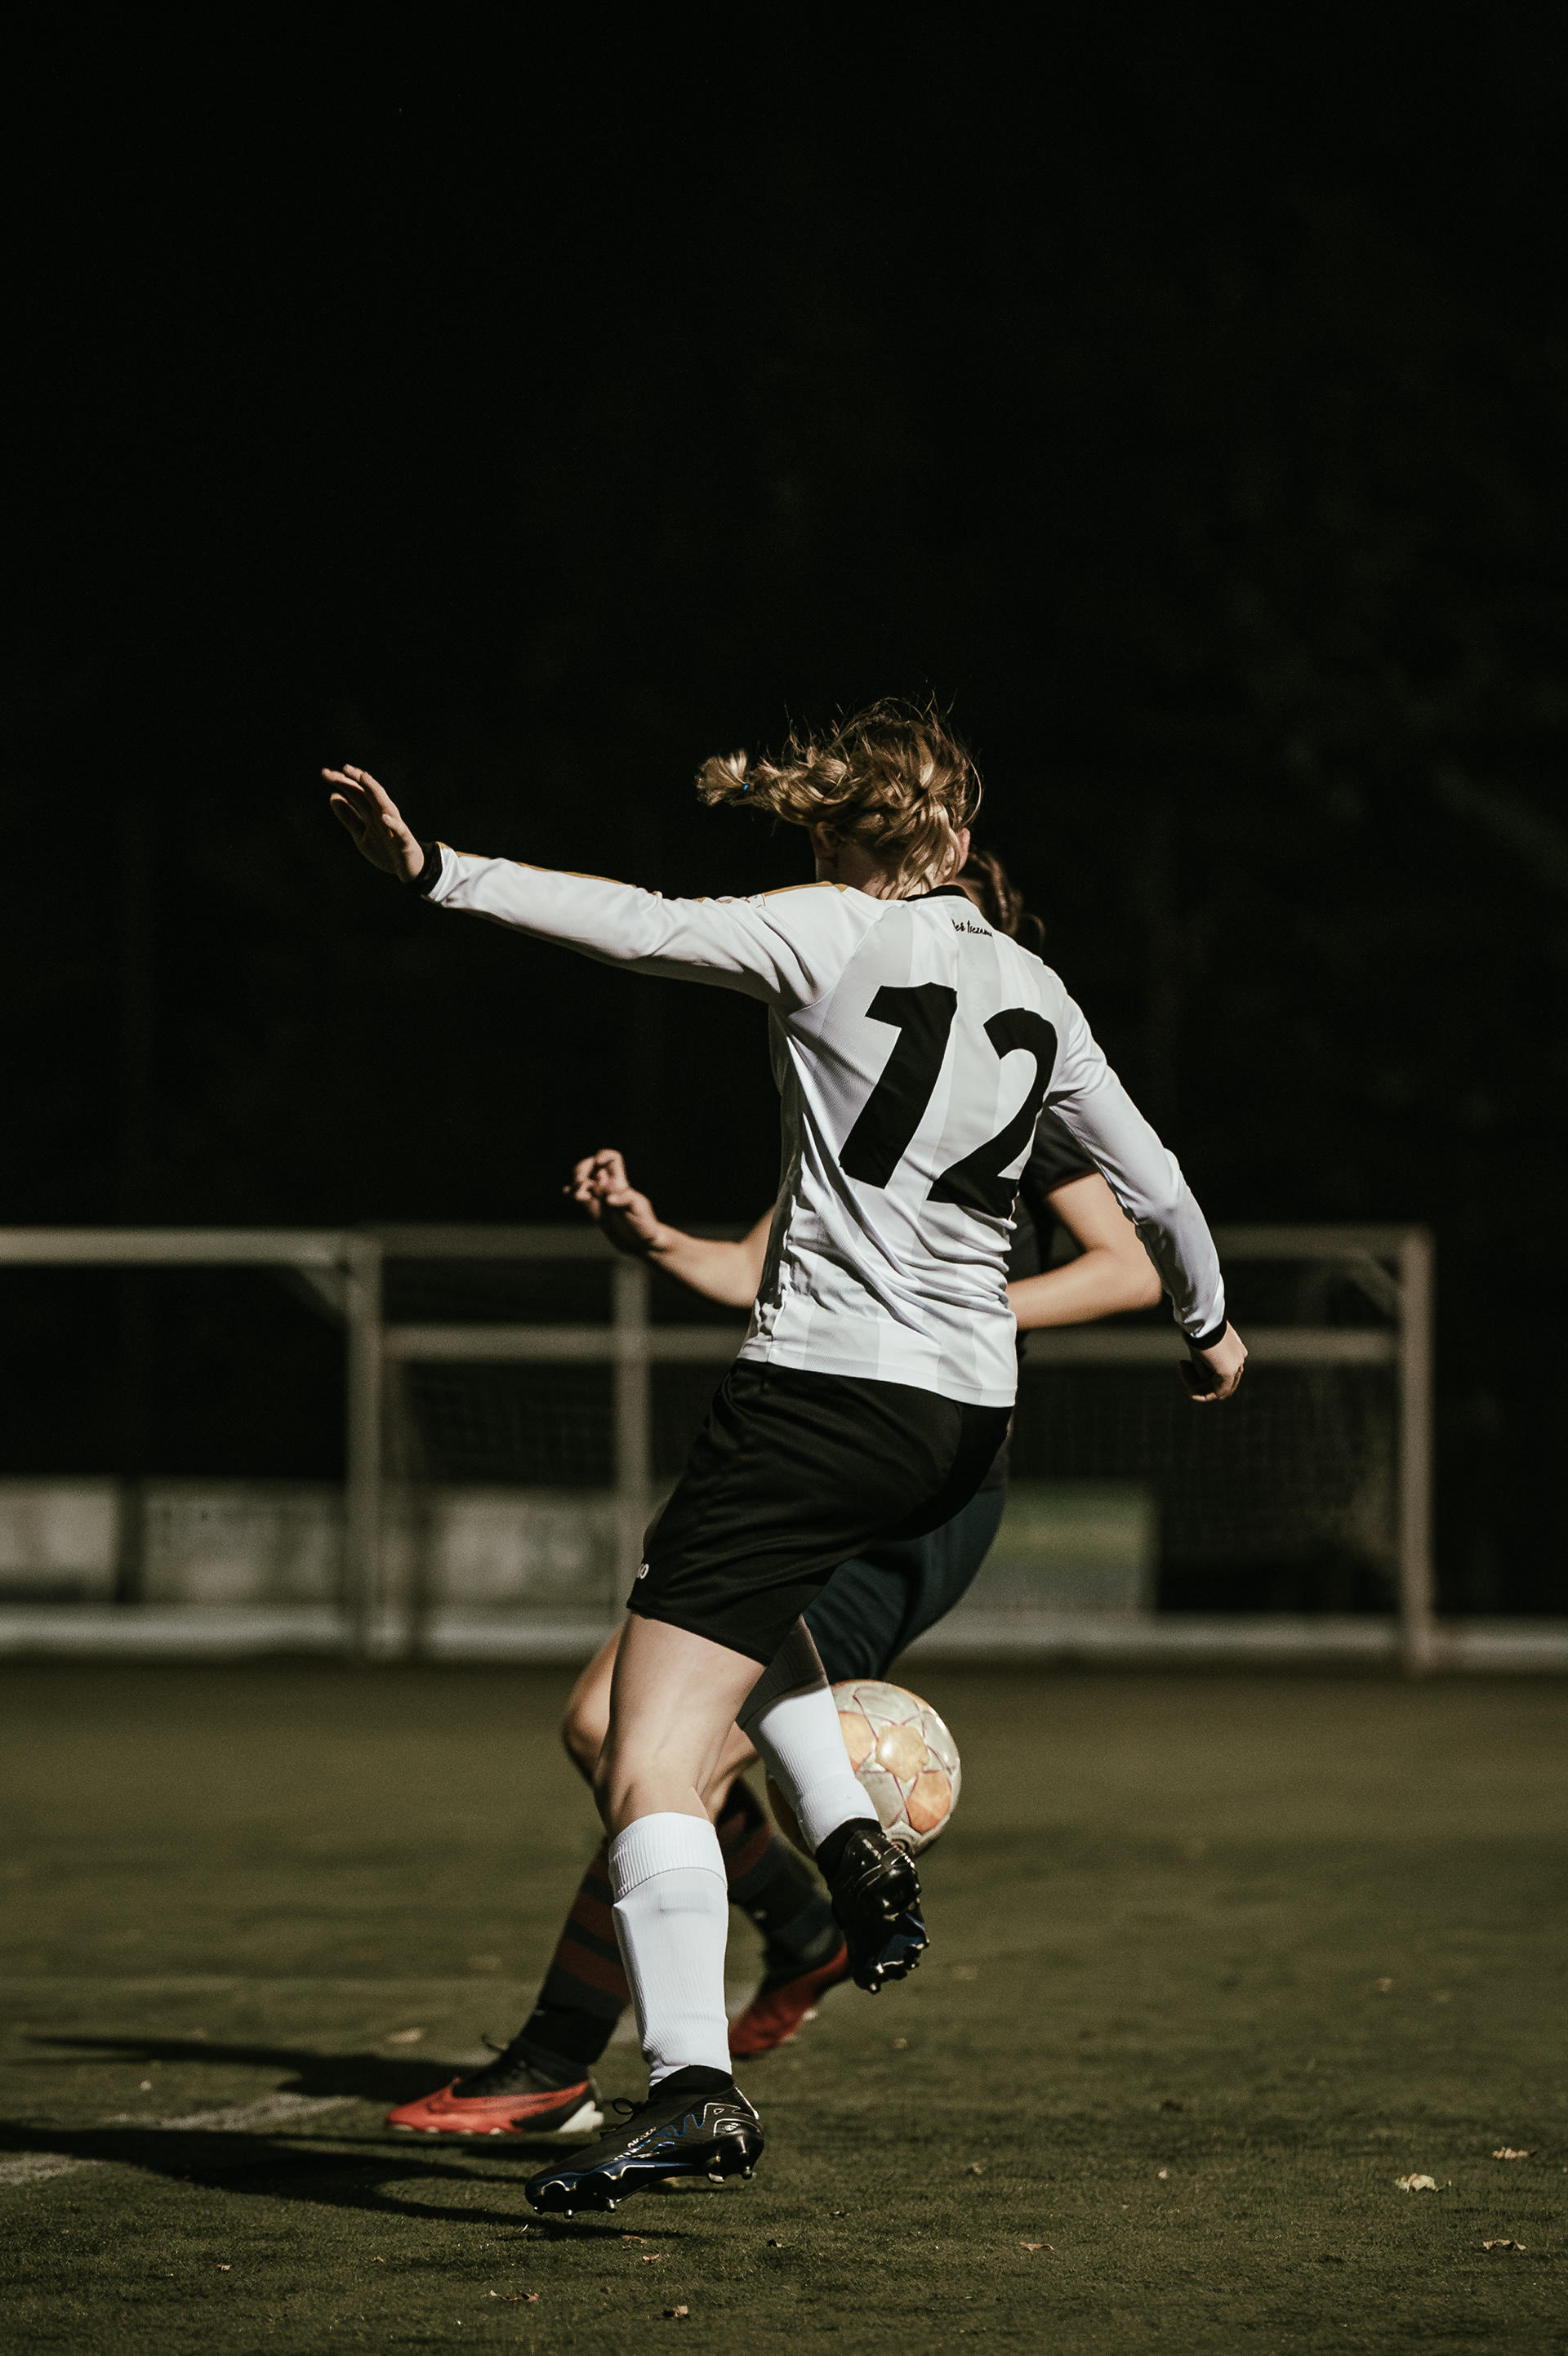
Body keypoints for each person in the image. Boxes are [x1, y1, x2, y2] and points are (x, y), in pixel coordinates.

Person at [327, 700, 1245, 2213]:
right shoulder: (1040, 992)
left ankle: (692, 2083)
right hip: (961, 1424)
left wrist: (435, 870)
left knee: (644, 1748)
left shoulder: (822, 930)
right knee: (754, 1632)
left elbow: (634, 923)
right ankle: (848, 1840)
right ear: (958, 836)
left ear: (829, 835)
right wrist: (1211, 1327)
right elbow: (1161, 1189)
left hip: (821, 1400)